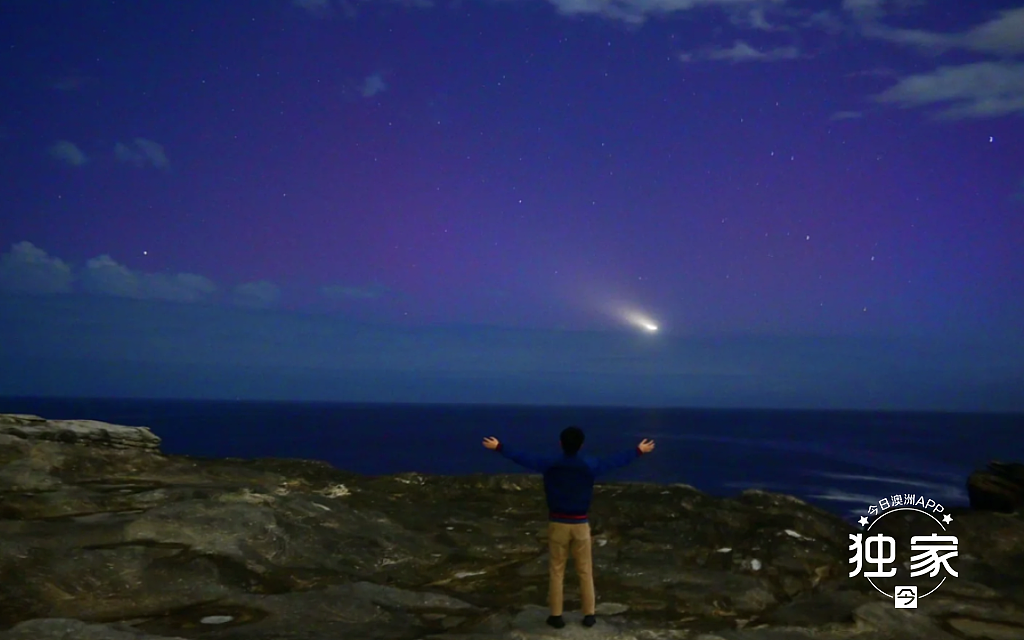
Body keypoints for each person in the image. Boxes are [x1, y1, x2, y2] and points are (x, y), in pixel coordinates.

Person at [482, 427, 655, 629]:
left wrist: (499, 447)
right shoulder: (589, 465)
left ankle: (556, 616)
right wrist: (638, 450)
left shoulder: (551, 464)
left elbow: (524, 458)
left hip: (557, 524)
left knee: (556, 571)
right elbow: (614, 461)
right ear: (581, 445)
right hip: (580, 524)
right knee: (585, 571)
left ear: (560, 444)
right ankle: (589, 615)